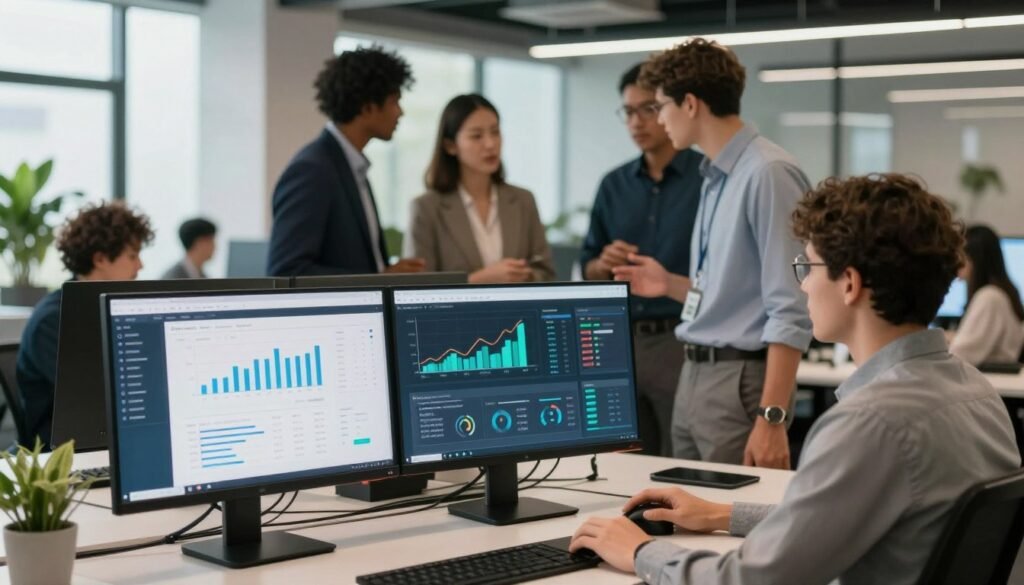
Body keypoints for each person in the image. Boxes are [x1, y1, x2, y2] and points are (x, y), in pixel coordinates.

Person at [570, 173, 1020, 585]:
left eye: (808, 267)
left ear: (850, 284)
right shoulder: (976, 392)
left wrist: (642, 551)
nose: (802, 286)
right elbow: (838, 520)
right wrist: (721, 514)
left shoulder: (870, 423)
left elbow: (754, 581)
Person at [614, 39, 812, 468]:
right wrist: (668, 284)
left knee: (733, 524)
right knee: (685, 515)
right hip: (694, 372)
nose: (658, 119)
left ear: (690, 104)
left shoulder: (768, 173)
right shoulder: (715, 176)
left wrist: (772, 417)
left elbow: (791, 308)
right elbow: (730, 296)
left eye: (660, 106)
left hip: (739, 378)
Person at [580, 63, 703, 456]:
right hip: (621, 341)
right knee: (621, 465)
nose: (636, 122)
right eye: (628, 112)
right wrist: (603, 262)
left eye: (647, 109)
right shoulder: (612, 185)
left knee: (680, 462)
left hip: (681, 340)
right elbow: (587, 267)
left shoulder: (708, 178)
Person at [266, 45, 425, 277]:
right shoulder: (313, 170)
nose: (400, 112)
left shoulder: (350, 166)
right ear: (368, 106)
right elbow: (286, 271)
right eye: (394, 101)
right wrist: (378, 281)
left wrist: (385, 275)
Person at [16, 202, 154, 447]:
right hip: (63, 459)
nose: (140, 266)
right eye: (132, 256)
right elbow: (96, 402)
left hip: (111, 444)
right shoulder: (54, 320)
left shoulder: (113, 311)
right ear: (100, 258)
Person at [406, 94, 555, 283]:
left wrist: (527, 275)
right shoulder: (426, 208)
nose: (490, 144)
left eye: (495, 132)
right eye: (476, 136)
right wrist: (478, 280)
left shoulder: (523, 200)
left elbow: (547, 274)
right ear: (451, 146)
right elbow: (417, 290)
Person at [949, 224, 1024, 365]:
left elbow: (960, 354)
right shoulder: (999, 293)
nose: (955, 263)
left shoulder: (989, 297)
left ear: (975, 259)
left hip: (991, 380)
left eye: (959, 256)